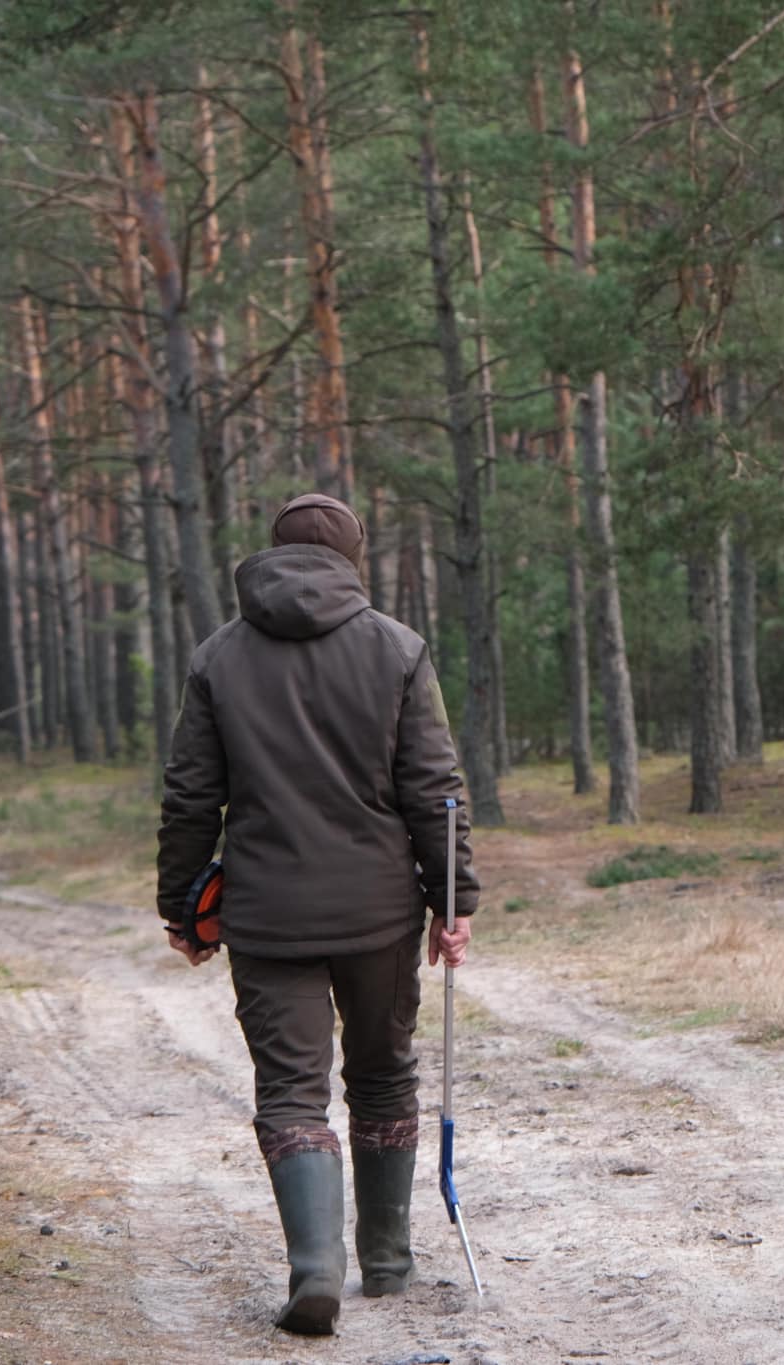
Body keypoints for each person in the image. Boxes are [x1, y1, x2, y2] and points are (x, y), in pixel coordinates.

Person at [155, 492, 477, 1334]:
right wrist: (453, 900)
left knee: (292, 1091)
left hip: (267, 915)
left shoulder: (219, 656)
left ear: (274, 552)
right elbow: (436, 791)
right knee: (383, 1073)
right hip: (379, 912)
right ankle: (388, 1261)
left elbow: (190, 796)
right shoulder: (397, 648)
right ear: (352, 559)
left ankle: (316, 1270)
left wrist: (181, 906)